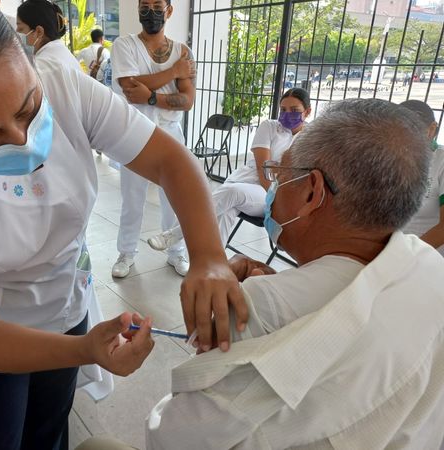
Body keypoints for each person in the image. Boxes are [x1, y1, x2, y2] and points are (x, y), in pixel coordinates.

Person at [0, 0, 246, 449]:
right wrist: (84, 351)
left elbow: (170, 160)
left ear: (26, 50)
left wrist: (209, 257)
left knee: (50, 432)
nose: (21, 139)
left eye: (28, 108)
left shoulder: (66, 88)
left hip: (65, 306)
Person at [79, 99, 444, 449]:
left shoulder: (262, 306)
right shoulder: (431, 270)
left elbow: (172, 436)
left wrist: (213, 346)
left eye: (280, 174)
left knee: (94, 445)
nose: (273, 189)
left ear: (312, 192)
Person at [147, 88, 311, 251]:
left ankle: (175, 234)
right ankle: (214, 266)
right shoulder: (269, 126)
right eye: (283, 109)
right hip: (246, 182)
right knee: (226, 210)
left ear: (307, 111)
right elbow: (264, 170)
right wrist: (279, 169)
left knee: (232, 193)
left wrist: (276, 198)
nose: (287, 114)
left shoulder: (309, 140)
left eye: (294, 110)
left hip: (275, 196)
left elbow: (299, 175)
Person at [110, 0, 197, 278]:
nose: (150, 12)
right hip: (134, 131)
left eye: (157, 6)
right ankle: (126, 253)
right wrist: (173, 73)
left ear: (169, 11)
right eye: (144, 6)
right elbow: (129, 86)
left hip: (171, 133)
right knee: (132, 197)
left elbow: (186, 101)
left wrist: (149, 95)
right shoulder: (124, 45)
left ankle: (176, 252)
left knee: (175, 196)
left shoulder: (183, 51)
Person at [400, 100, 444, 255]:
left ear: (431, 129)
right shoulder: (391, 160)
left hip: (428, 258)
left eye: (412, 130)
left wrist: (407, 256)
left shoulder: (440, 162)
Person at [16, 0, 80, 73]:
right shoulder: (62, 54)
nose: (16, 33)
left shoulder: (43, 66)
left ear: (39, 32)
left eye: (20, 28)